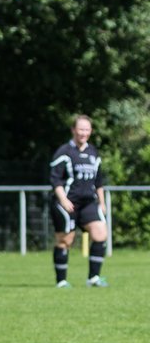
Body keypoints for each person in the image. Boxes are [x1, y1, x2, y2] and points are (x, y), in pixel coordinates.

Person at [49, 114, 109, 288]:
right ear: (73, 130)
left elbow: (98, 181)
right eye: (81, 129)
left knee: (100, 234)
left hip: (89, 202)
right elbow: (55, 180)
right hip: (67, 202)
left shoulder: (93, 152)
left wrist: (102, 202)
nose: (84, 133)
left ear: (90, 131)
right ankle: (61, 281)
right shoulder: (64, 152)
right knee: (65, 240)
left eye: (87, 129)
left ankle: (94, 278)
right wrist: (64, 200)